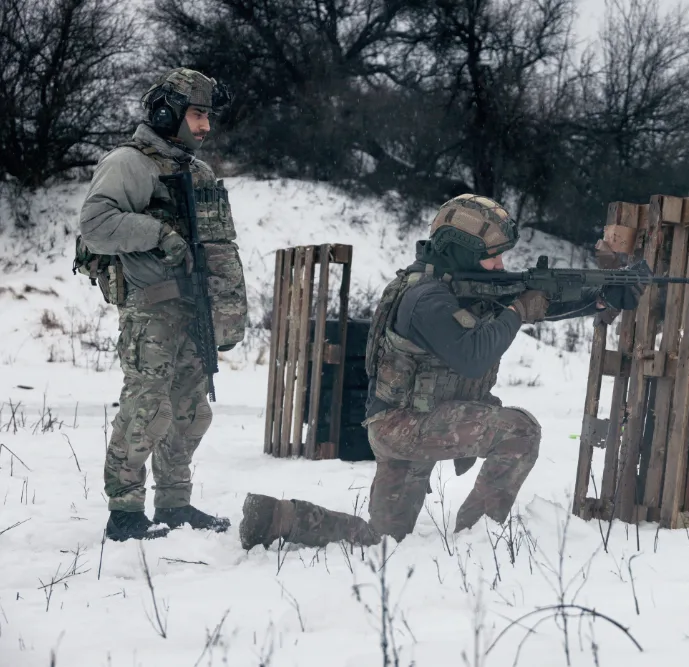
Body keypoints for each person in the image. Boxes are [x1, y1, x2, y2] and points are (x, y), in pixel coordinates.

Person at [238, 194, 644, 550]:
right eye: (492, 255)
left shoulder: (457, 283)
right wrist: (518, 311)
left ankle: (281, 518)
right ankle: (476, 541)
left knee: (383, 541)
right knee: (520, 431)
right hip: (405, 426)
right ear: (461, 250)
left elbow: (538, 303)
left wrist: (602, 298)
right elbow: (473, 355)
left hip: (407, 422)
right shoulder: (426, 297)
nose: (501, 264)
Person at [77, 67, 248, 541]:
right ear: (166, 112)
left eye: (207, 116)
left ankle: (175, 503)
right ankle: (125, 511)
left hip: (195, 312)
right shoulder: (129, 163)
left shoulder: (196, 170)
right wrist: (157, 233)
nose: (205, 126)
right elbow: (95, 223)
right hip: (151, 310)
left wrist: (227, 309)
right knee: (147, 409)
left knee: (191, 412)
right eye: (196, 114)